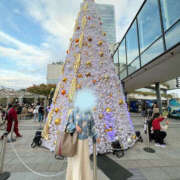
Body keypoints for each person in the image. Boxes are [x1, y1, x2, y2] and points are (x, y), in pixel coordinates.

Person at [66, 108, 100, 180]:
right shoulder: (73, 112)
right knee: (76, 162)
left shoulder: (89, 112)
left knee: (84, 162)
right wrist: (75, 127)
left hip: (84, 142)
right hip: (75, 141)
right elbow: (68, 125)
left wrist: (96, 136)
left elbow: (92, 127)